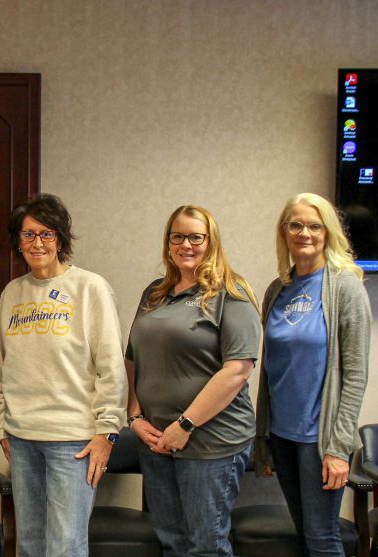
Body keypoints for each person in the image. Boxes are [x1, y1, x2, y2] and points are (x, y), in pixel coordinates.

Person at [0, 193, 127, 557]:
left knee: (65, 546)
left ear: (61, 239)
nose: (37, 243)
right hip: (22, 440)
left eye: (47, 234)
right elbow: (4, 370)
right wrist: (2, 426)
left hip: (74, 442)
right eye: (28, 235)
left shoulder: (90, 288)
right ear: (17, 241)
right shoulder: (12, 293)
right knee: (31, 544)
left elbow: (111, 366)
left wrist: (107, 432)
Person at [125, 205, 261, 557]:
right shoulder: (154, 293)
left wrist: (184, 424)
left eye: (195, 237)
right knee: (171, 542)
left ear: (210, 241)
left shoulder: (232, 293)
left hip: (209, 444)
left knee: (206, 547)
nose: (186, 244)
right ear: (168, 243)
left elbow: (237, 370)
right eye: (177, 236)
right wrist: (135, 417)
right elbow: (133, 359)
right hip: (156, 442)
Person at [253, 193, 371, 557]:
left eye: (314, 226)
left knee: (322, 538)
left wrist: (338, 447)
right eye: (296, 225)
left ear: (328, 232)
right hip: (283, 435)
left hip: (319, 440)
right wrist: (265, 437)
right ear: (285, 232)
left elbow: (355, 374)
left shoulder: (345, 287)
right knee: (304, 534)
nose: (305, 233)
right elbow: (270, 368)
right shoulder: (278, 289)